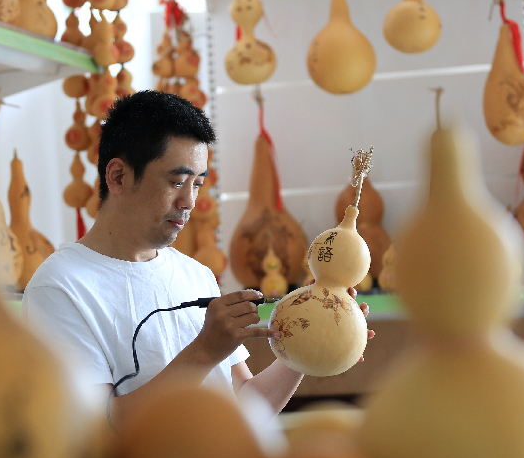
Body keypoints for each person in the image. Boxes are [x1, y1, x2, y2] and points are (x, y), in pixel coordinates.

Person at [22, 90, 371, 428]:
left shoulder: (195, 275)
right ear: (118, 176)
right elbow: (95, 430)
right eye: (177, 182)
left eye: (198, 184)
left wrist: (312, 339)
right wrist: (204, 352)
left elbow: (247, 407)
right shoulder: (60, 288)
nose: (189, 202)